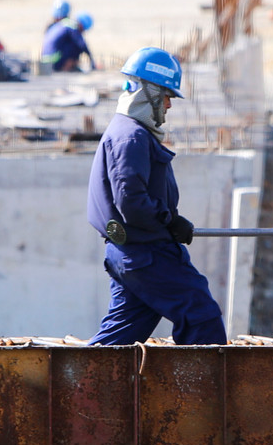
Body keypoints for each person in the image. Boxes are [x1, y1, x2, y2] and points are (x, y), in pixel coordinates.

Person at [87, 46, 227, 346]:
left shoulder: (130, 133)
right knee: (201, 315)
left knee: (121, 337)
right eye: (166, 95)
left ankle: (80, 378)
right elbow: (131, 201)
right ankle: (201, 379)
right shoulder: (131, 137)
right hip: (146, 253)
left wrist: (170, 221)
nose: (169, 105)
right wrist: (170, 221)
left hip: (131, 252)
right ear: (148, 92)